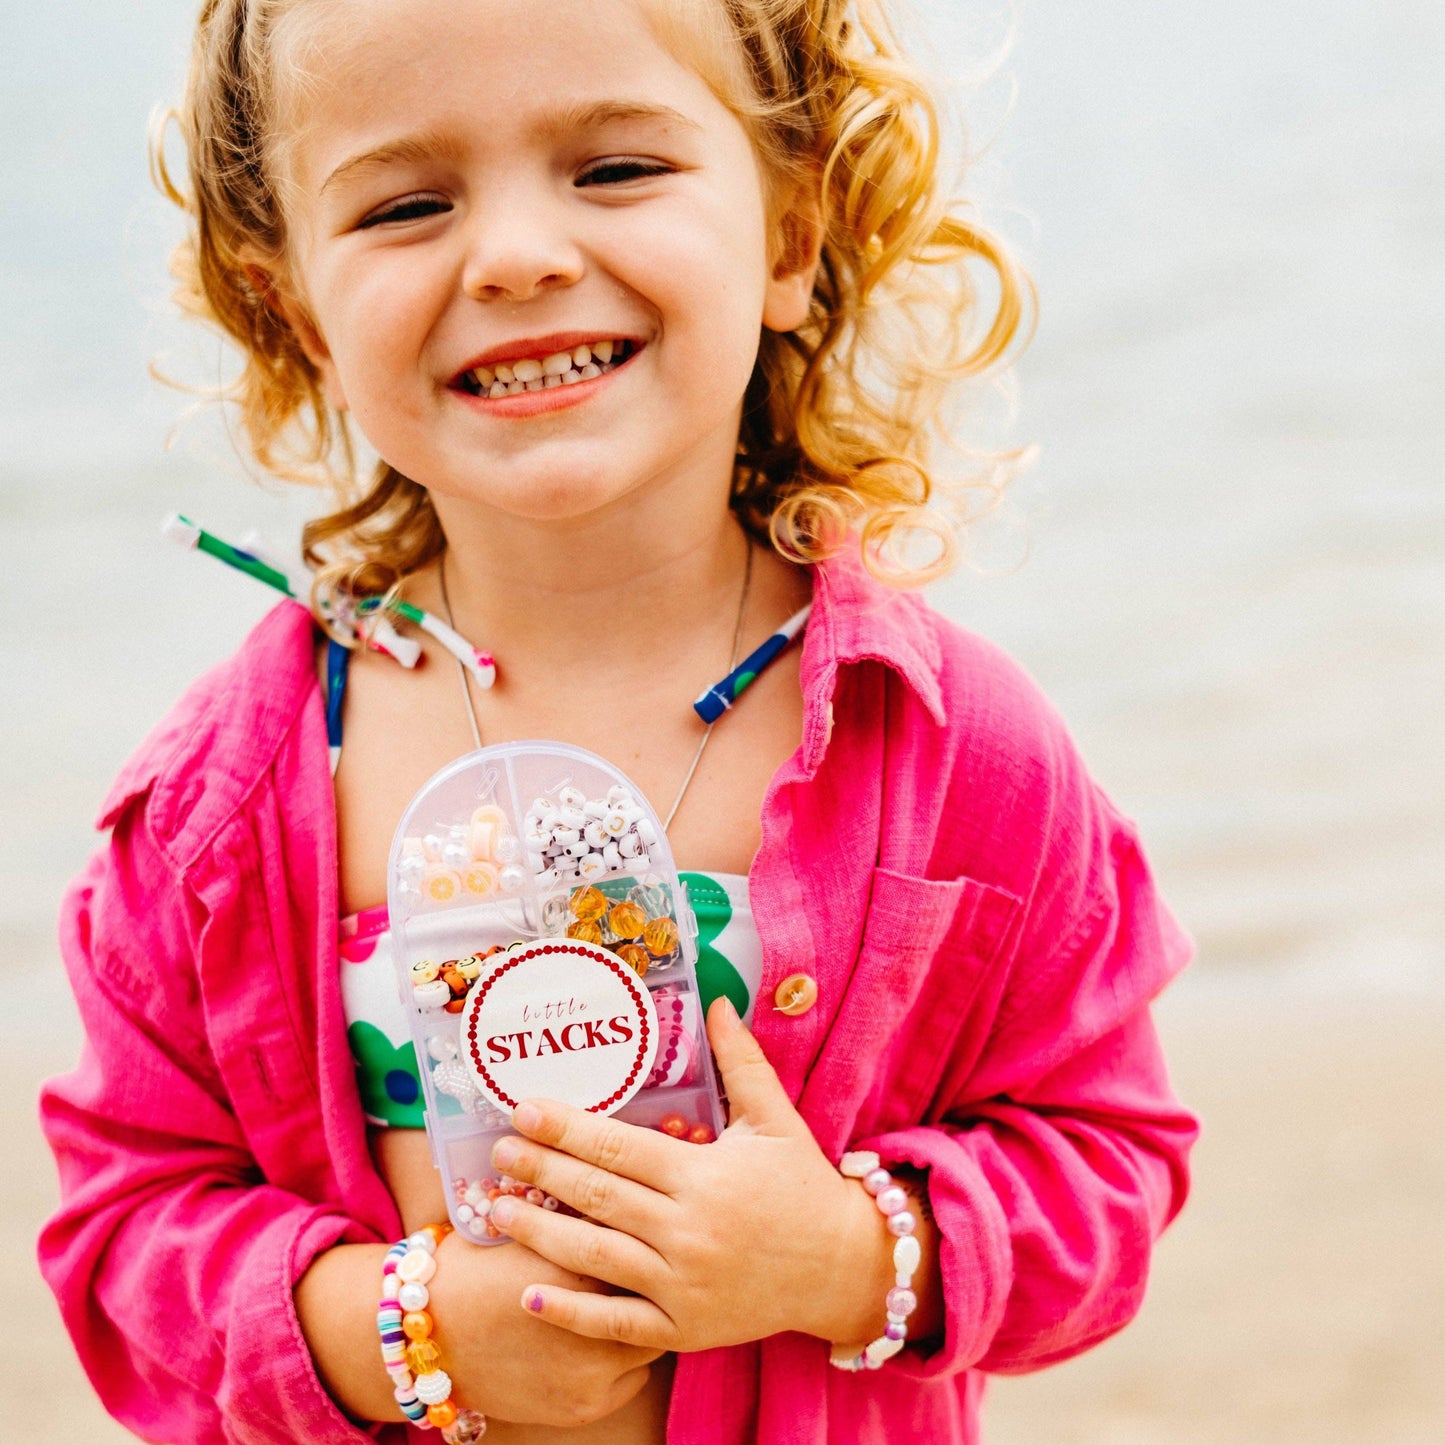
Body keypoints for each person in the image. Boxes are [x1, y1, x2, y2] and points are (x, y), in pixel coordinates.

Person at [37, 0, 1199, 1441]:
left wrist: (836, 1254)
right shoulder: (224, 803)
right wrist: (402, 1330)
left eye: (614, 169)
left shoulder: (956, 748)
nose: (518, 253)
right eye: (406, 203)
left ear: (790, 230)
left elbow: (1104, 1164)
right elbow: (125, 1234)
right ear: (291, 305)